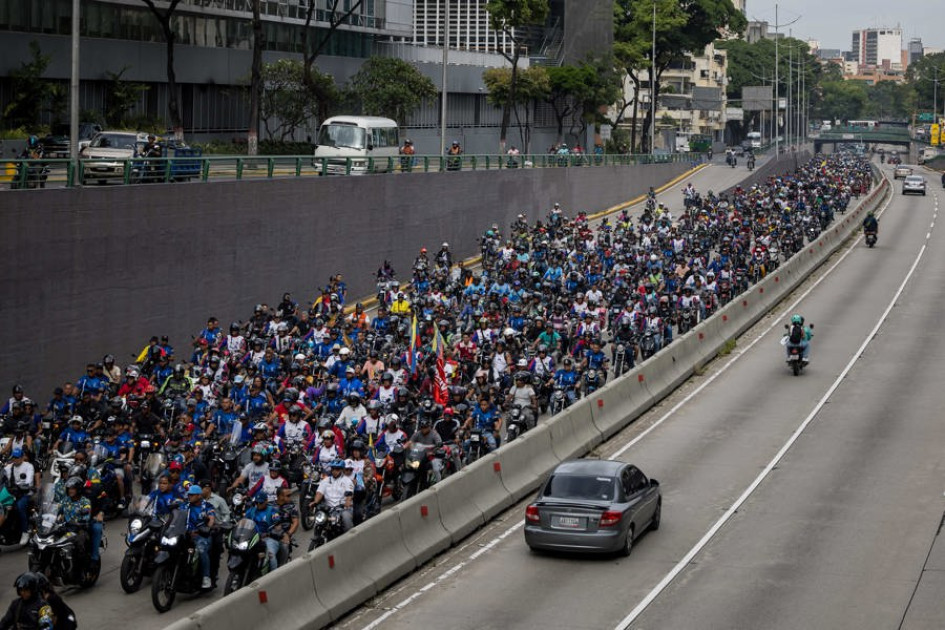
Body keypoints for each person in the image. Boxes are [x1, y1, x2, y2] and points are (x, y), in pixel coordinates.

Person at [182, 485, 215, 589]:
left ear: (199, 495)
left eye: (192, 495)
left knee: (201, 550)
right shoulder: (186, 506)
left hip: (202, 535)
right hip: (186, 534)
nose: (190, 497)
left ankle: (206, 577)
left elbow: (211, 519)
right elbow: (178, 515)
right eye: (189, 495)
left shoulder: (208, 506)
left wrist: (207, 527)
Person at [4, 448, 38, 544]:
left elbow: (29, 481)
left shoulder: (28, 466)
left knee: (19, 506)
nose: (15, 459)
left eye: (17, 457)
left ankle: (25, 531)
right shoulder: (8, 467)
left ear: (22, 457)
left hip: (25, 493)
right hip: (11, 493)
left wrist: (24, 486)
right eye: (14, 457)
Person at [310, 459, 354, 532]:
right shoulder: (325, 480)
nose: (334, 471)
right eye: (333, 468)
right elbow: (319, 493)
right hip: (328, 508)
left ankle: (349, 539)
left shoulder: (347, 480)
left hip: (343, 508)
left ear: (342, 470)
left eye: (337, 469)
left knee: (346, 519)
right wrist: (315, 502)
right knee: (318, 521)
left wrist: (347, 502)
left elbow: (350, 494)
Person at [244, 493, 280, 572]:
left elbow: (277, 525)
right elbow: (244, 520)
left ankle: (274, 574)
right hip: (253, 537)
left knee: (270, 556)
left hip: (268, 537)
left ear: (266, 501)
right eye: (256, 503)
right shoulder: (252, 510)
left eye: (260, 502)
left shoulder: (272, 511)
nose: (258, 505)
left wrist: (272, 531)